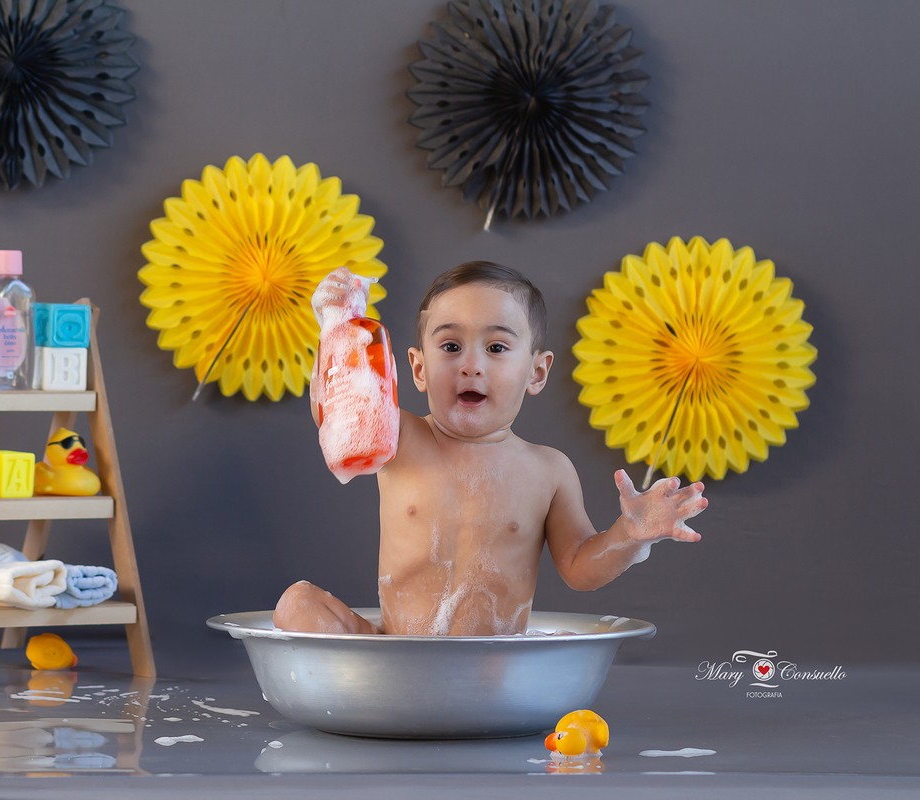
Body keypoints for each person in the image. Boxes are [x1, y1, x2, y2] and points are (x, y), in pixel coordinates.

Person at [274, 261, 707, 635]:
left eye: (496, 347)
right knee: (296, 603)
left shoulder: (548, 470)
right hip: (397, 651)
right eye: (450, 346)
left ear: (536, 372)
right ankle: (368, 688)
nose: (471, 365)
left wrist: (629, 536)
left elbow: (579, 568)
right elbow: (335, 411)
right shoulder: (398, 436)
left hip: (490, 662)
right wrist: (337, 323)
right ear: (419, 369)